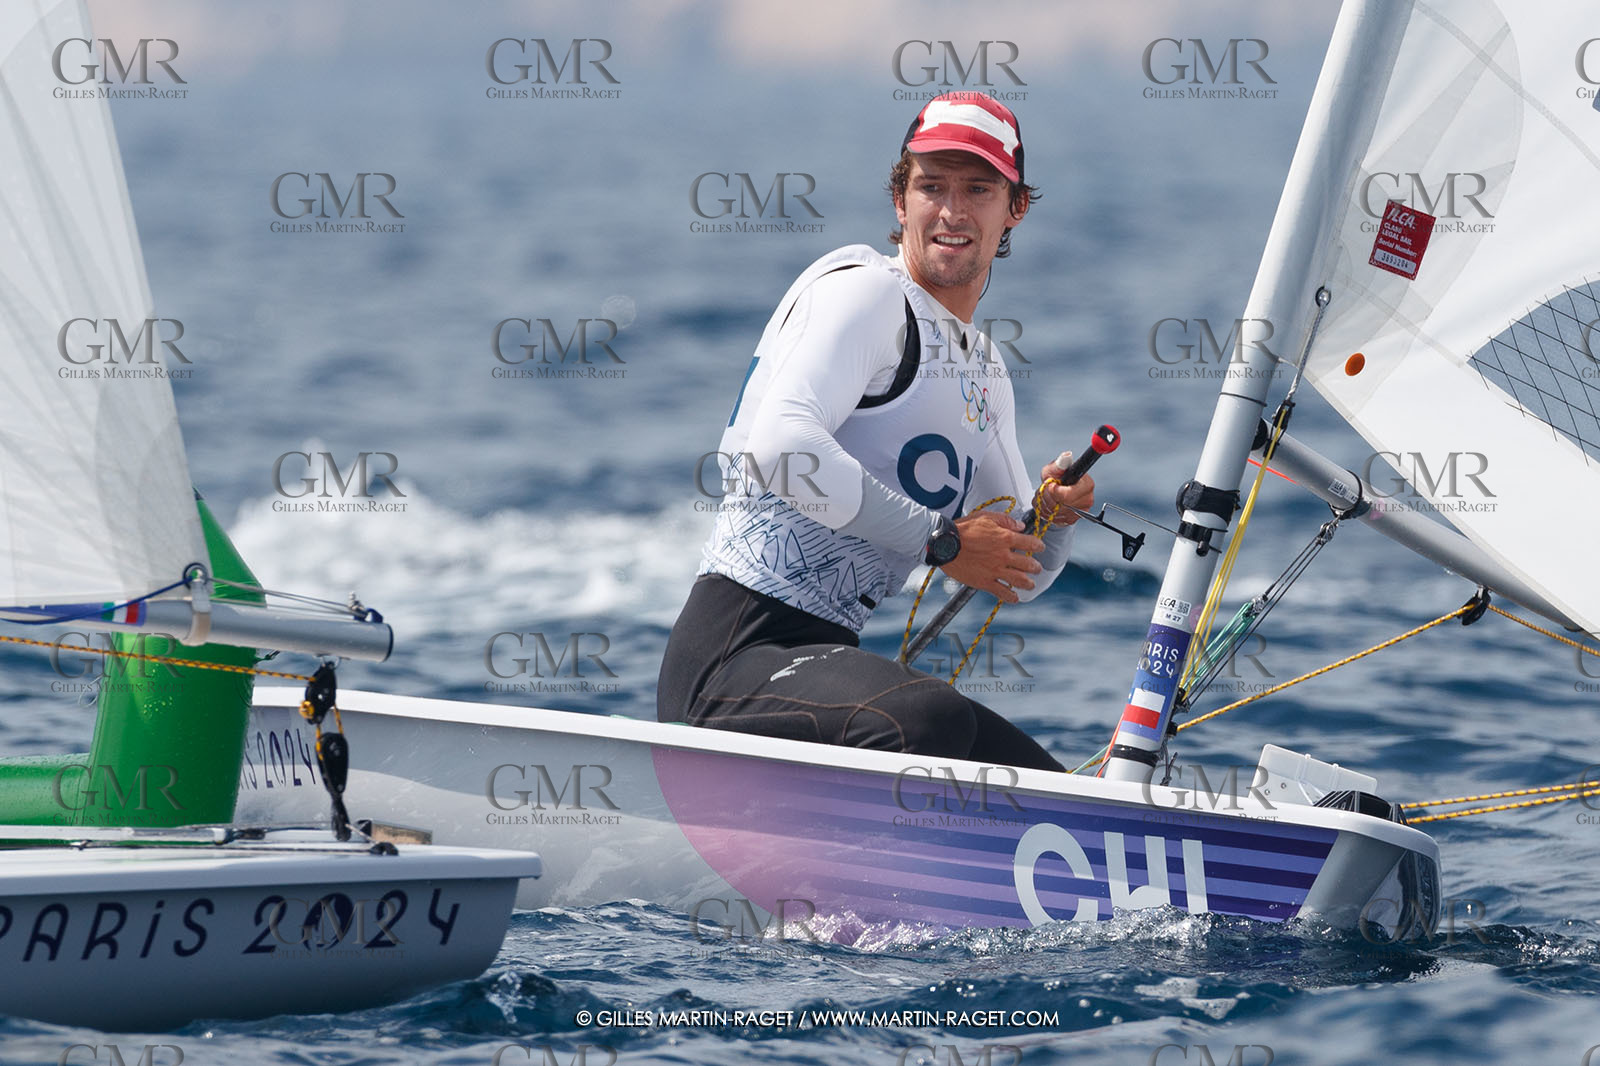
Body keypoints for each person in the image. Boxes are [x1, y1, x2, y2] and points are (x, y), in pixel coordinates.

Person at [657, 92, 1093, 772]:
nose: (951, 210)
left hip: (819, 661)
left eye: (978, 188)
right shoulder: (867, 295)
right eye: (931, 186)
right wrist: (942, 539)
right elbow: (782, 449)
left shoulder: (985, 373)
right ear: (900, 199)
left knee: (1043, 784)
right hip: (728, 663)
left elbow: (1010, 577)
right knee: (933, 718)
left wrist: (1054, 517)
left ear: (1015, 208)